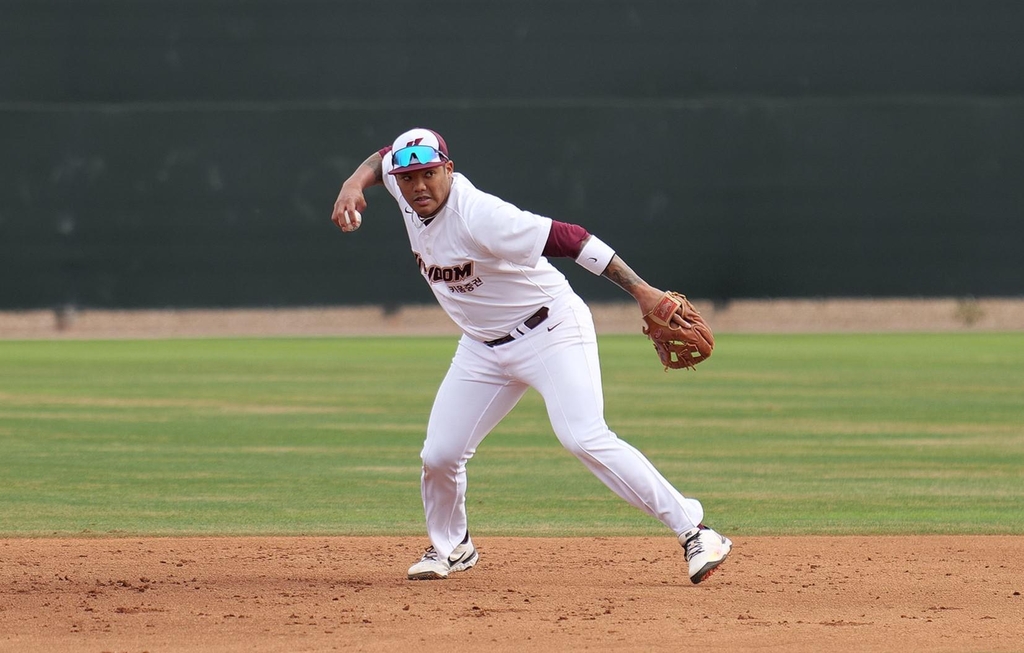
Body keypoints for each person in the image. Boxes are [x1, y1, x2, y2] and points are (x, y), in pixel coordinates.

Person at [331, 128, 731, 584]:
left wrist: (641, 291)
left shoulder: (482, 216)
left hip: (550, 330)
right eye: (407, 178)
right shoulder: (403, 186)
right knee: (440, 455)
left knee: (582, 436)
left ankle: (697, 531)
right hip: (481, 347)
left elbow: (574, 239)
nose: (418, 186)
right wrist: (353, 182)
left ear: (448, 169)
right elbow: (382, 157)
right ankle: (453, 547)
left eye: (428, 174)